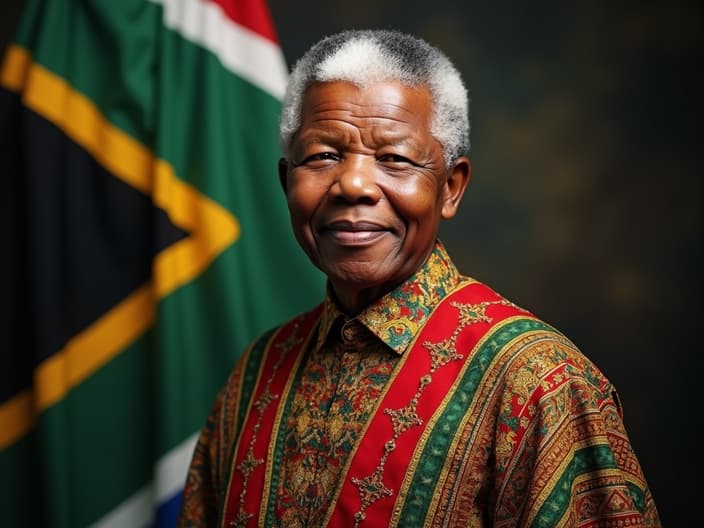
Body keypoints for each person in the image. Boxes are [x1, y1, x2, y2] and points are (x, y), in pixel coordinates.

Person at [178, 29, 660, 527]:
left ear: (450, 188)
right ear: (287, 182)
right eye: (322, 155)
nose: (354, 185)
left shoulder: (538, 381)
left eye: (395, 158)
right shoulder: (256, 373)